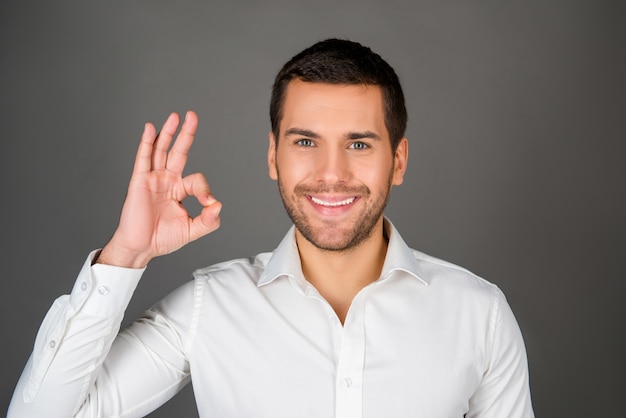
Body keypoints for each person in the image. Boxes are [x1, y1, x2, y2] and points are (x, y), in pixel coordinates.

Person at [8, 39, 534, 417]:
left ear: (398, 160)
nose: (332, 173)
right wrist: (125, 253)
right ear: (273, 156)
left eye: (359, 144)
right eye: (305, 142)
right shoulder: (208, 307)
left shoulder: (480, 315)